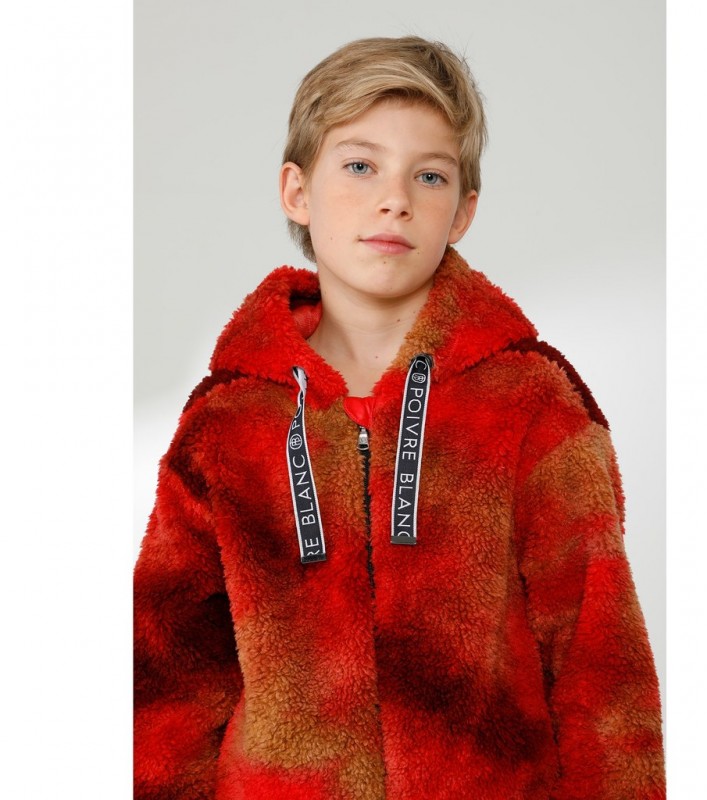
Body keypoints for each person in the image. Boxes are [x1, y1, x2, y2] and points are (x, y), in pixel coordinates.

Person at [134, 35, 665, 799]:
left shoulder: (530, 404)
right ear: (296, 191)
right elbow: (168, 684)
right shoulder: (228, 423)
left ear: (463, 211)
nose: (395, 199)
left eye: (430, 175)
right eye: (360, 166)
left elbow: (600, 664)